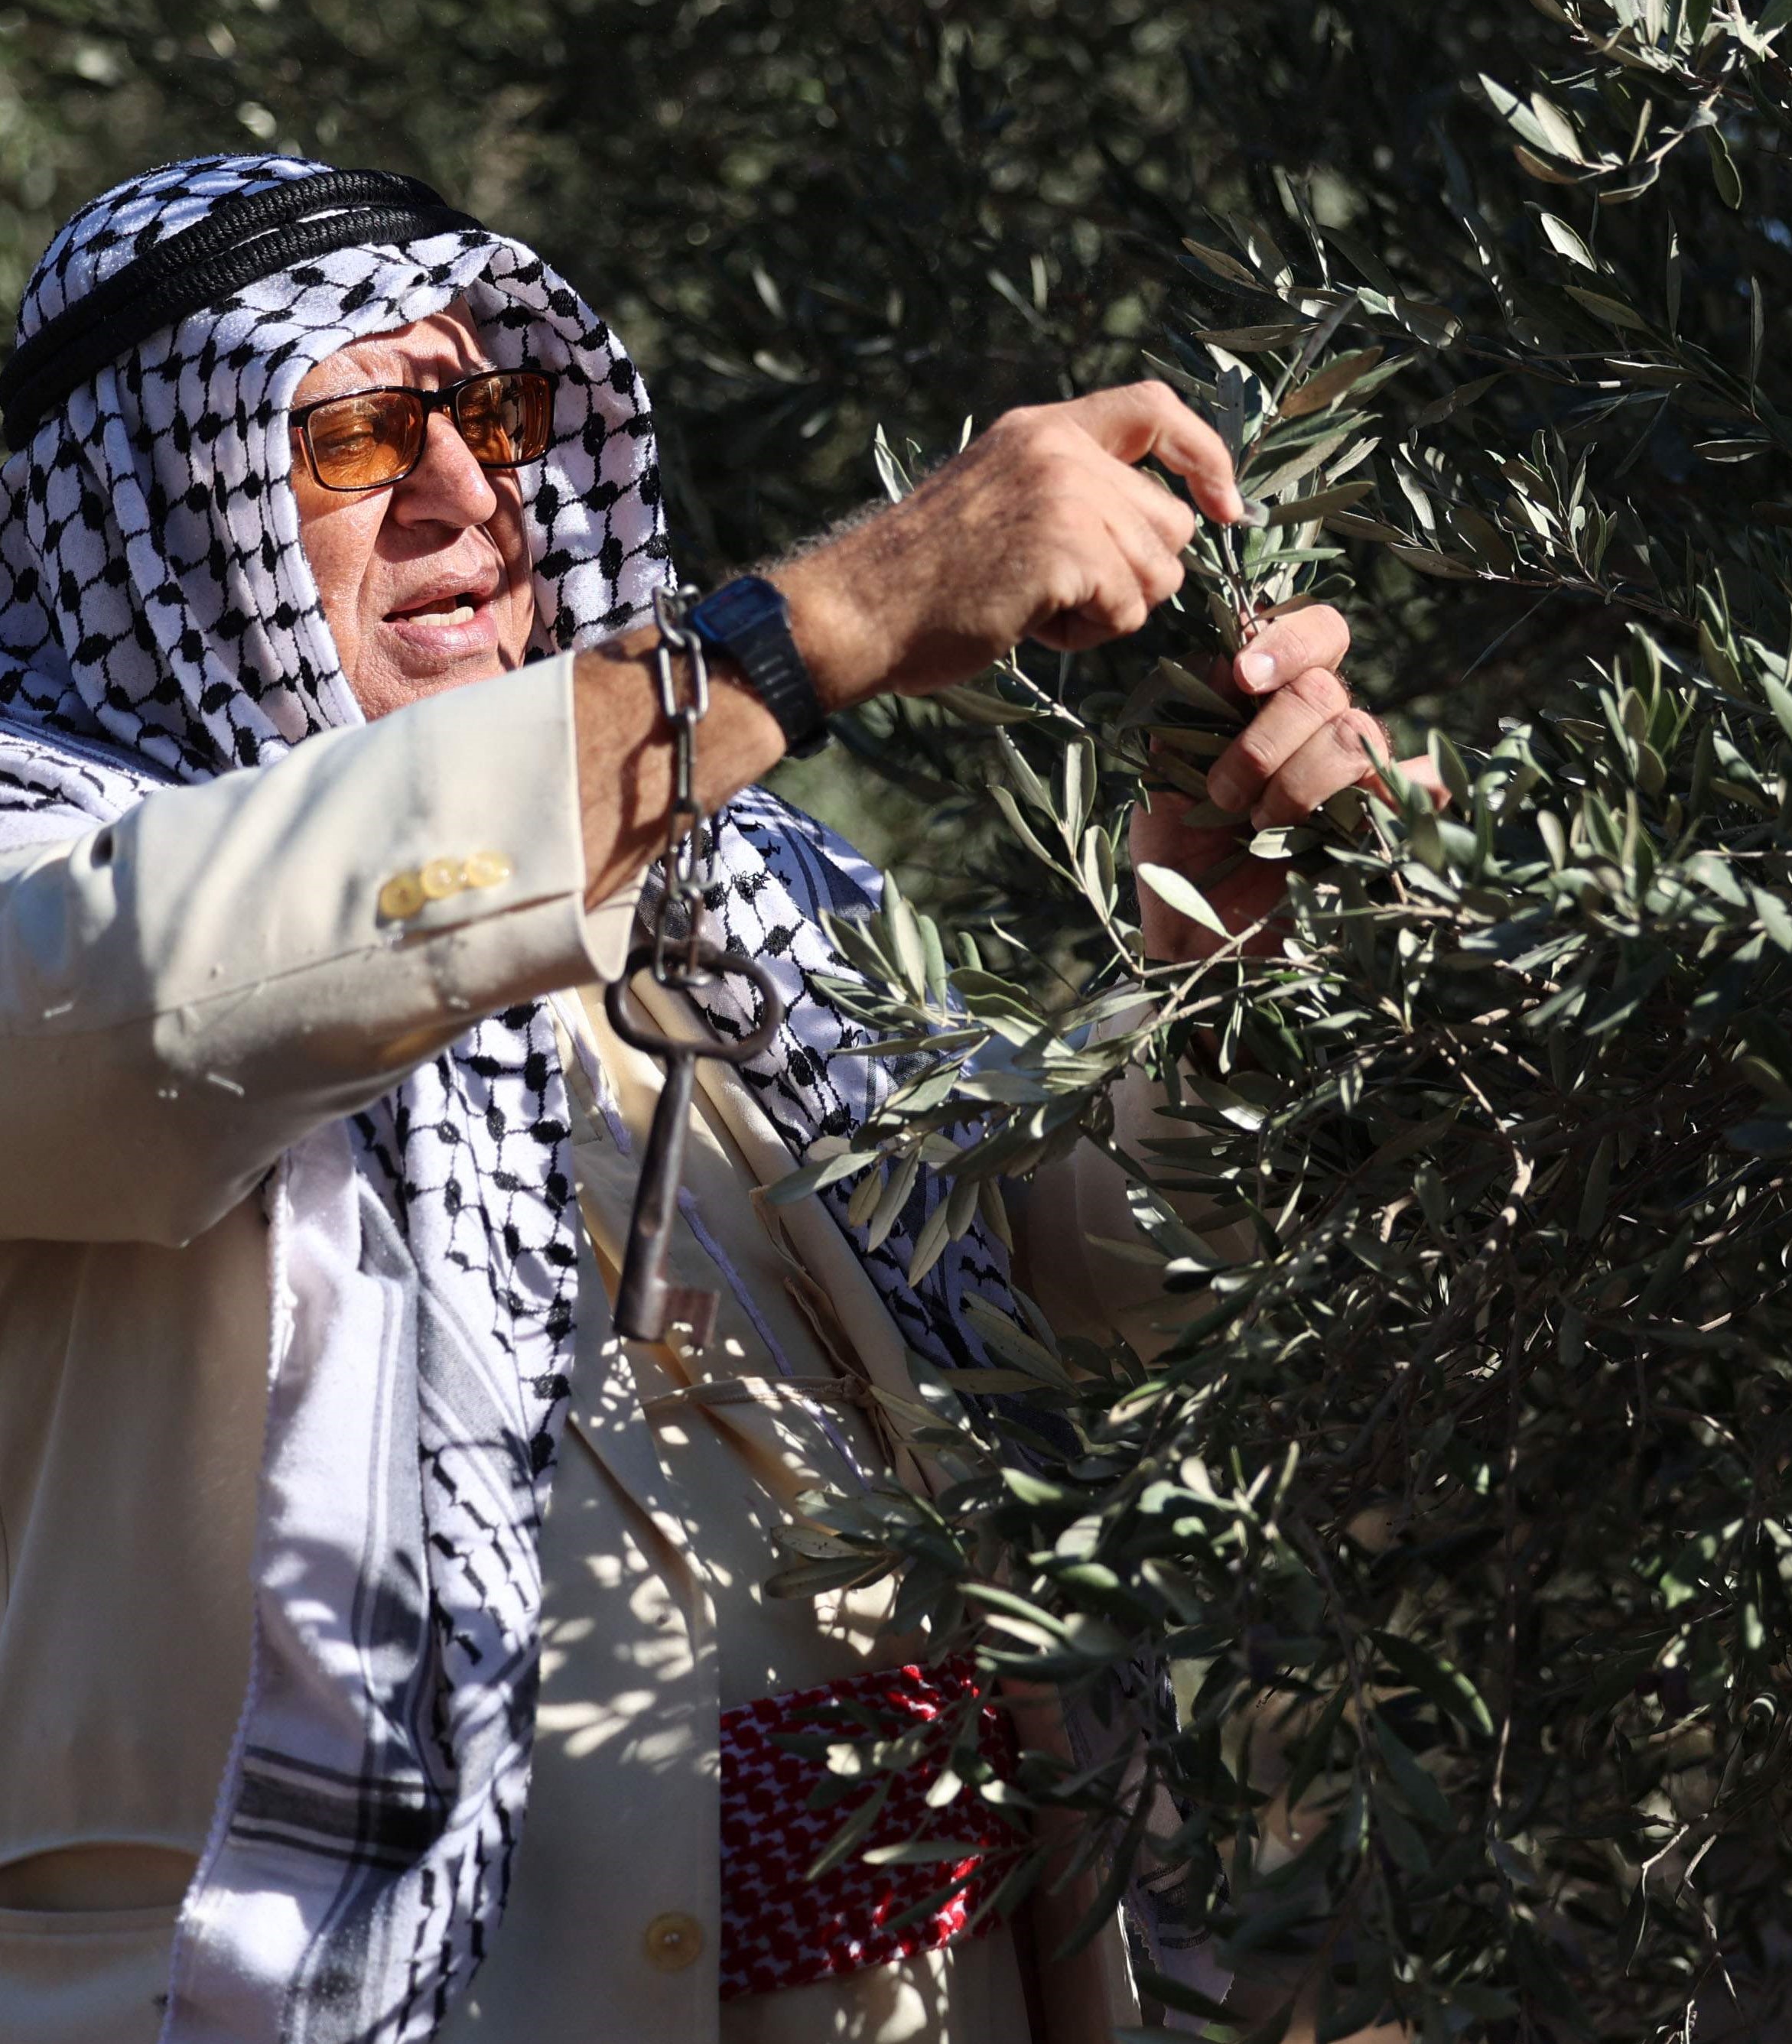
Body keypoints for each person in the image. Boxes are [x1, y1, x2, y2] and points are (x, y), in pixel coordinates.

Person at [0, 153, 1423, 2044]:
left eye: (493, 415)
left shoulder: (737, 900)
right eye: (355, 440)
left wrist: (1213, 957)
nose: (466, 495)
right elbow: (198, 986)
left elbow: (1092, 1283)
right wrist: (837, 617)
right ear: (172, 520)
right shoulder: (58, 882)